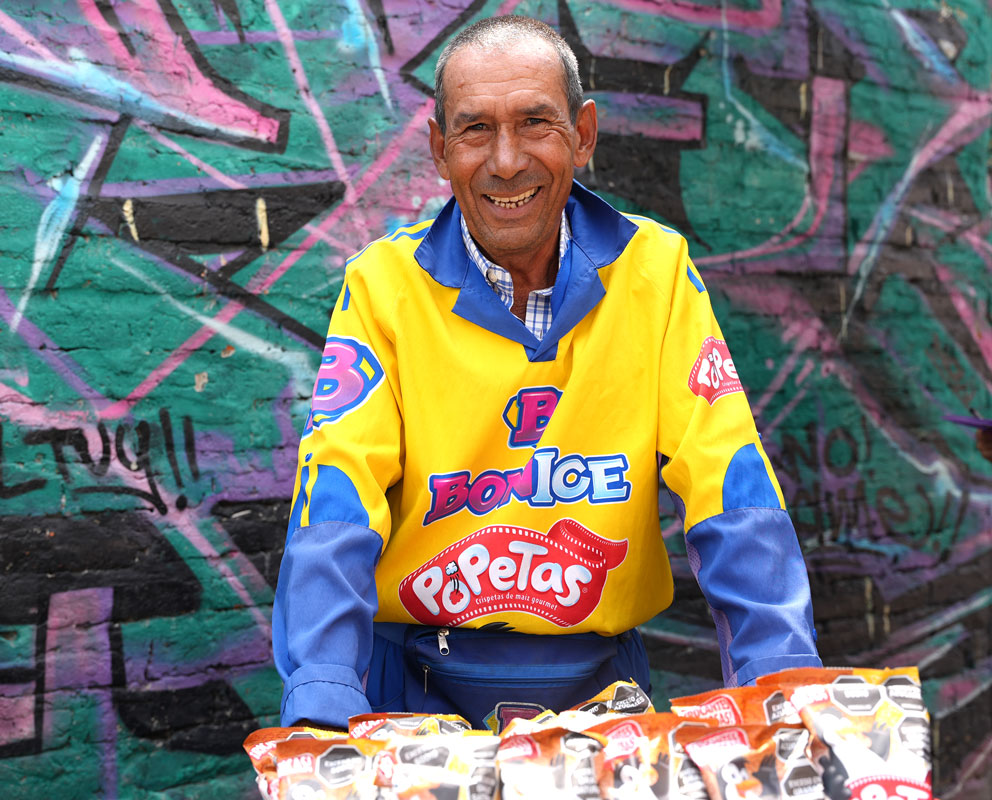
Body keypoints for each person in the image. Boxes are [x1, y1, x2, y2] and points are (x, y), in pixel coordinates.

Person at [273, 14, 821, 731]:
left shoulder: (655, 274)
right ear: (439, 149)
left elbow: (733, 495)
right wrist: (319, 703)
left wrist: (779, 691)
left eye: (536, 123)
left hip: (603, 701)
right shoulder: (385, 288)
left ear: (584, 135)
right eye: (474, 130)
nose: (506, 161)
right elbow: (336, 508)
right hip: (411, 698)